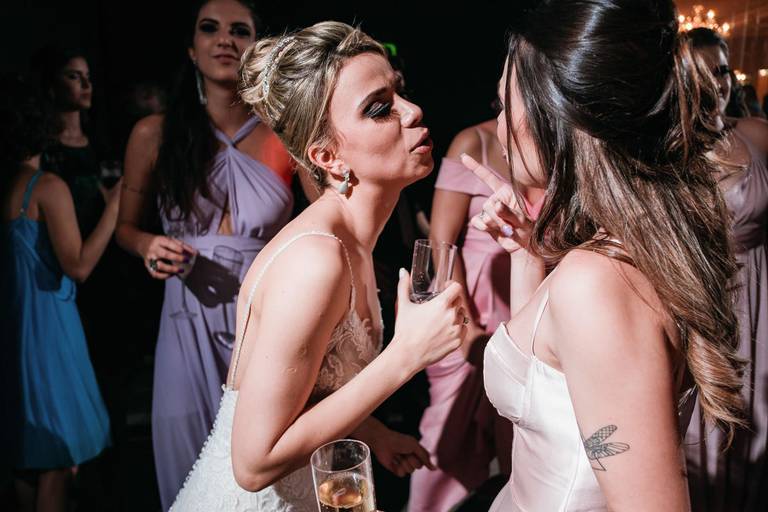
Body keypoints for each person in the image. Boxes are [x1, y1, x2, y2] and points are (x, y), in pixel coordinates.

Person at [170, 21, 467, 511]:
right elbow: (252, 464)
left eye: (400, 92)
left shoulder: (353, 243)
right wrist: (405, 355)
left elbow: (304, 388)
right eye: (379, 108)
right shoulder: (316, 261)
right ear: (328, 157)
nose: (412, 111)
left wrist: (375, 435)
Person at [462, 1, 745, 509]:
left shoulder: (597, 282)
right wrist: (528, 254)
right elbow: (547, 389)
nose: (498, 124)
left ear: (559, 114)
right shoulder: (616, 249)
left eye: (503, 104)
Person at [114, 1, 294, 507]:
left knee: (265, 464)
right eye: (210, 29)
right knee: (188, 462)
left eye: (240, 31)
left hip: (265, 313)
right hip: (186, 315)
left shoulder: (283, 133)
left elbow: (327, 217)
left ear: (256, 48)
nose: (225, 40)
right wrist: (147, 244)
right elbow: (125, 228)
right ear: (192, 50)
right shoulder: (154, 133)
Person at [410, 118, 544, 511]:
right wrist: (466, 328)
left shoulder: (551, 143)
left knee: (519, 449)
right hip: (471, 311)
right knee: (444, 453)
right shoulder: (473, 142)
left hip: (528, 315)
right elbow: (441, 241)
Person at [0, 75, 117, 512]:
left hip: (12, 328)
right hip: (48, 333)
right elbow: (79, 265)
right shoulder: (45, 187)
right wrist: (116, 206)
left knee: (26, 455)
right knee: (59, 459)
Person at [685, 26, 768, 512]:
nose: (715, 84)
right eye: (699, 74)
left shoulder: (757, 135)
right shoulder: (663, 152)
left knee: (759, 427)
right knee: (705, 433)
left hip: (760, 301)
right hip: (699, 306)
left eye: (721, 70)